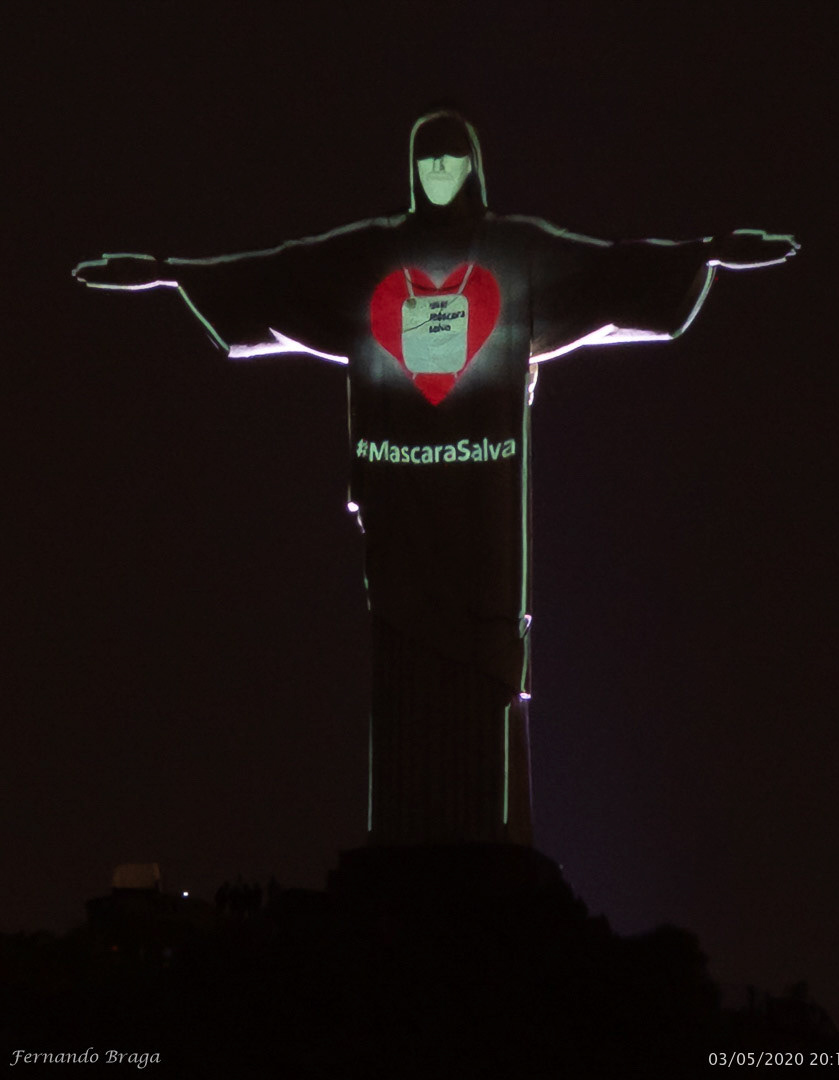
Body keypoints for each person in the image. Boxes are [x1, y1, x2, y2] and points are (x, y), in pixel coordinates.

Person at [73, 111, 797, 848]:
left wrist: (707, 254)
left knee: (487, 657)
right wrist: (171, 272)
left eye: (452, 161)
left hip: (485, 506)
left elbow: (607, 269)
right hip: (402, 504)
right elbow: (283, 272)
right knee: (405, 653)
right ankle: (408, 839)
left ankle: (490, 838)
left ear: (474, 167)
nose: (440, 174)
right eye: (428, 162)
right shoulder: (374, 255)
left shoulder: (512, 251)